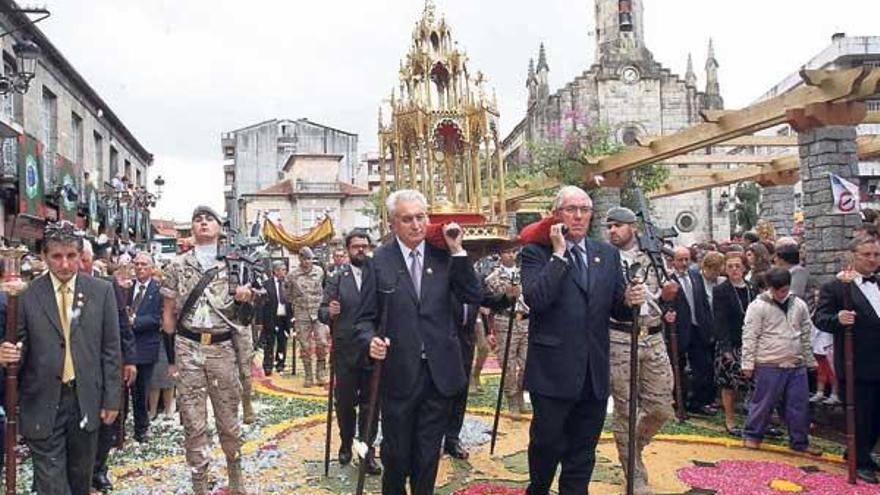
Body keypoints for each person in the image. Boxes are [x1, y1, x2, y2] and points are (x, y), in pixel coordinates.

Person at [520, 186, 644, 495]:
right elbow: (537, 298)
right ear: (556, 214)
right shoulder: (536, 253)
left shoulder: (606, 254)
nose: (578, 216)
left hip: (593, 371)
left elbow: (617, 308)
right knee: (546, 444)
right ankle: (538, 490)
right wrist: (559, 255)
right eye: (570, 209)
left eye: (584, 210)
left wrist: (630, 300)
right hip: (552, 370)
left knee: (583, 450)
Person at [363, 189, 482, 495]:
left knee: (428, 456)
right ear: (393, 224)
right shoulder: (378, 261)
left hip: (439, 374)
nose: (416, 225)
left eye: (421, 217)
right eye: (407, 219)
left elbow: (472, 294)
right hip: (398, 374)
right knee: (397, 455)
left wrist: (457, 250)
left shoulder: (445, 255)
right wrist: (371, 341)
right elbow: (363, 319)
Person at [0, 221, 122, 495]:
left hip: (86, 400)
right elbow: (18, 348)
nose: (64, 264)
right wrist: (7, 354)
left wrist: (112, 398)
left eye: (71, 256)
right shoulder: (27, 296)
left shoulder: (101, 292)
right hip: (42, 402)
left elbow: (111, 349)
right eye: (56, 256)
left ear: (81, 256)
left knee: (80, 480)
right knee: (52, 485)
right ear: (44, 257)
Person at [161, 206, 254, 494]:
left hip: (222, 348)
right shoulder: (176, 265)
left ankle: (235, 475)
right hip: (188, 347)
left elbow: (246, 318)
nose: (203, 222)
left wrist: (244, 300)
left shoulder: (236, 264)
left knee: (228, 417)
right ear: (192, 229)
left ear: (220, 227)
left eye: (209, 219)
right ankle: (199, 482)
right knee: (193, 420)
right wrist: (172, 358)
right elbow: (167, 316)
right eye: (197, 220)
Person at [605, 206, 677, 495]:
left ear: (632, 227)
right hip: (621, 339)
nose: (612, 231)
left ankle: (634, 446)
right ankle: (633, 473)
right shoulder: (605, 259)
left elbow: (661, 294)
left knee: (661, 407)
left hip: (654, 337)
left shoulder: (653, 257)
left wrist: (668, 296)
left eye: (618, 226)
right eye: (609, 226)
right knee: (625, 409)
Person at [814, 236, 880, 484]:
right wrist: (838, 319)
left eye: (876, 254)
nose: (873, 259)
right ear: (853, 256)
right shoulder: (837, 286)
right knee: (861, 414)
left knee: (876, 417)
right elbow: (820, 318)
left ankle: (858, 451)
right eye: (867, 254)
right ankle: (861, 460)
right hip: (857, 363)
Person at [317, 230, 381, 474]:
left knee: (371, 403)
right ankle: (345, 442)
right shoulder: (337, 278)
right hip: (344, 351)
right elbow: (321, 312)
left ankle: (366, 451)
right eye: (356, 247)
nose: (361, 250)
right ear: (347, 249)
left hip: (371, 351)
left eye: (365, 246)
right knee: (345, 403)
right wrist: (329, 312)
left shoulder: (377, 276)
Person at [741, 267, 818, 455]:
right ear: (769, 288)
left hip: (795, 362)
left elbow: (806, 333)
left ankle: (800, 441)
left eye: (783, 290)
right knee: (764, 403)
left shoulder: (799, 304)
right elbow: (750, 335)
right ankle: (752, 435)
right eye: (776, 290)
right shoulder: (757, 306)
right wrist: (747, 363)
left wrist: (809, 359)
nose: (780, 294)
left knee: (798, 404)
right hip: (769, 362)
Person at [92, 260, 138, 493]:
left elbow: (123, 326)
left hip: (103, 363)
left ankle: (98, 470)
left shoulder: (107, 285)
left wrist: (129, 360)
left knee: (106, 420)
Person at [712, 252, 755, 437]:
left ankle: (755, 420)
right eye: (730, 266)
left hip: (750, 341)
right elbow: (720, 320)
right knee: (728, 383)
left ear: (744, 267)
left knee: (754, 383)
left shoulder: (752, 288)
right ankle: (730, 420)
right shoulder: (721, 290)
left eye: (737, 266)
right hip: (730, 341)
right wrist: (726, 347)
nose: (734, 270)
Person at [484, 246, 530, 416]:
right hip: (505, 320)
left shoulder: (524, 273)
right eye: (507, 252)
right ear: (500, 254)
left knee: (527, 363)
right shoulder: (493, 277)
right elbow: (492, 301)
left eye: (513, 252)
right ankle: (511, 399)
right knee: (508, 364)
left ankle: (519, 393)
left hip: (525, 320)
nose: (511, 255)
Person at [128, 253, 164, 442]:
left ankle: (141, 428)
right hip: (125, 346)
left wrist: (135, 321)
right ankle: (117, 430)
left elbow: (158, 318)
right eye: (137, 264)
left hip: (145, 347)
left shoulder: (158, 291)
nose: (140, 267)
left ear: (152, 268)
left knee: (141, 391)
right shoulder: (126, 287)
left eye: (144, 264)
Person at [285, 246, 328, 387]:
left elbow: (326, 288)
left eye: (311, 259)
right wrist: (299, 303)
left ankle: (320, 372)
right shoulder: (292, 275)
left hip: (318, 312)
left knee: (322, 342)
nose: (308, 262)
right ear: (300, 259)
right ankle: (308, 375)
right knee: (305, 345)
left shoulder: (320, 271)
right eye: (306, 259)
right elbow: (287, 295)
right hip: (302, 313)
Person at [260, 261, 292, 376]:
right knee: (269, 342)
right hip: (271, 317)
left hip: (284, 317)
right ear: (275, 271)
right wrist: (261, 321)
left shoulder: (289, 283)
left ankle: (280, 364)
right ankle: (268, 365)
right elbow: (262, 303)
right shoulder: (266, 284)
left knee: (282, 342)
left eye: (284, 270)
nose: (283, 272)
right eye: (280, 270)